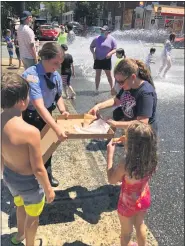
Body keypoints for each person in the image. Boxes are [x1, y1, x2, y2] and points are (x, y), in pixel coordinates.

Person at [1, 73, 55, 246]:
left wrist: (3, 171)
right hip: (29, 183)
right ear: (22, 102)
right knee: (33, 216)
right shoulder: (31, 132)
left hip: (10, 177)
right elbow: (39, 169)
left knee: (20, 206)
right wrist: (48, 190)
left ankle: (19, 236)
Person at [22, 42, 69, 187]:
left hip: (46, 114)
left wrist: (63, 111)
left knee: (48, 147)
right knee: (32, 149)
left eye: (59, 63)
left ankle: (47, 174)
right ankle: (29, 178)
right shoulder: (31, 75)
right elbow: (38, 105)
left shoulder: (54, 75)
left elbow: (58, 96)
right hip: (32, 117)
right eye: (55, 63)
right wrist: (56, 127)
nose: (57, 67)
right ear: (45, 58)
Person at [106, 121, 157, 246]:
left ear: (131, 145)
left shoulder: (126, 163)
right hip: (143, 198)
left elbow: (112, 179)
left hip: (127, 203)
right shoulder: (152, 159)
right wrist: (129, 142)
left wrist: (110, 155)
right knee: (140, 225)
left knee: (126, 233)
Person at [88, 58, 158, 135]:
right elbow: (116, 101)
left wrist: (115, 123)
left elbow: (142, 122)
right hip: (132, 132)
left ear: (133, 77)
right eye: (117, 81)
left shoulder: (145, 93)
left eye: (121, 81)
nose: (119, 85)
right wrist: (98, 106)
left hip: (144, 136)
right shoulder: (128, 86)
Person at [90, 25, 117, 94]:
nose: (101, 32)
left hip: (106, 59)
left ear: (107, 32)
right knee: (97, 74)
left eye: (103, 31)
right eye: (101, 30)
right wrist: (93, 54)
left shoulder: (112, 39)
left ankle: (112, 88)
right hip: (98, 59)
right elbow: (91, 47)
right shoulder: (96, 39)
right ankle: (96, 89)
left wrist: (110, 53)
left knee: (109, 75)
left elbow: (115, 49)